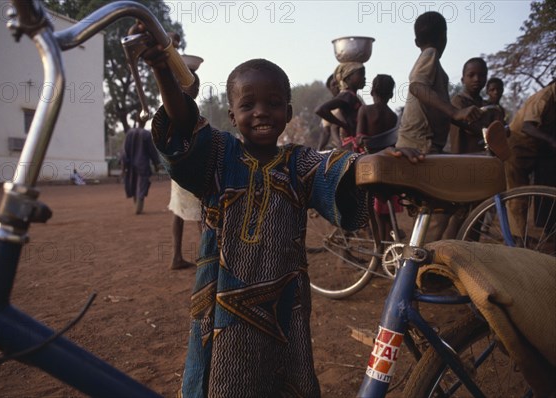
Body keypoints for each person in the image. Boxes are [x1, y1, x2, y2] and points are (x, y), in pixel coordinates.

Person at [135, 23, 424, 395]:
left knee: (286, 376)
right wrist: (163, 70)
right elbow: (183, 122)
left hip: (284, 308)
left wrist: (381, 157)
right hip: (224, 306)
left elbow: (341, 168)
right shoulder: (219, 157)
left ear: (288, 112)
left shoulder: (298, 163)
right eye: (248, 104)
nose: (261, 112)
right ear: (231, 112)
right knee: (224, 379)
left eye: (273, 104)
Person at [395, 11, 482, 242]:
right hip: (419, 146)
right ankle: (415, 267)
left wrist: (461, 119)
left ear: (416, 41)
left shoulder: (436, 68)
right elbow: (416, 87)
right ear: (445, 37)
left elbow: (435, 107)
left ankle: (425, 258)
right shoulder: (430, 54)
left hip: (424, 145)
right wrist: (455, 111)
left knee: (442, 207)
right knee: (440, 210)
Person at [504, 81, 556, 238]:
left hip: (535, 151)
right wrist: (552, 141)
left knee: (530, 195)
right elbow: (528, 126)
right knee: (517, 196)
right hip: (517, 148)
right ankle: (516, 238)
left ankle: (525, 233)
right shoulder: (544, 97)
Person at [356, 74, 403, 241]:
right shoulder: (393, 116)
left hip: (369, 167)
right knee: (386, 214)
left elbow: (360, 139)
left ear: (372, 91)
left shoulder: (365, 110)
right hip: (388, 167)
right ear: (391, 94)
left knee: (375, 213)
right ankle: (389, 246)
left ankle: (380, 248)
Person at [169, 65, 202, 270]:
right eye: (194, 86)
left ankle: (176, 257)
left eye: (197, 86)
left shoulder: (177, 107)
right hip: (188, 166)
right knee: (201, 212)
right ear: (182, 87)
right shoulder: (182, 110)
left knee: (179, 212)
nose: (197, 90)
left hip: (178, 166)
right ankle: (209, 256)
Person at [448, 57, 502, 155]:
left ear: (486, 79)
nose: (476, 79)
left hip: (484, 159)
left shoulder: (486, 105)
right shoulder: (458, 102)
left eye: (481, 75)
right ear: (463, 79)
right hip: (462, 160)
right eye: (471, 75)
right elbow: (474, 128)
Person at [315, 62, 366, 150]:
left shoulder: (352, 96)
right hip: (352, 147)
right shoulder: (347, 96)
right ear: (348, 78)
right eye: (361, 74)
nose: (364, 78)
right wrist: (344, 125)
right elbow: (321, 110)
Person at [122, 116, 161, 214]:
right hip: (142, 164)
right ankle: (138, 208)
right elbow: (152, 151)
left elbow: (124, 151)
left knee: (134, 184)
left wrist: (124, 166)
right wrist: (156, 164)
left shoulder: (129, 133)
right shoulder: (147, 135)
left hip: (130, 164)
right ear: (145, 122)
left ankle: (136, 206)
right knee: (142, 185)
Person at [316, 74, 342, 150]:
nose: (336, 87)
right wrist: (319, 150)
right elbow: (326, 132)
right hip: (341, 146)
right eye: (333, 85)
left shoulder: (352, 101)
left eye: (338, 84)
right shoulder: (329, 110)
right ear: (330, 89)